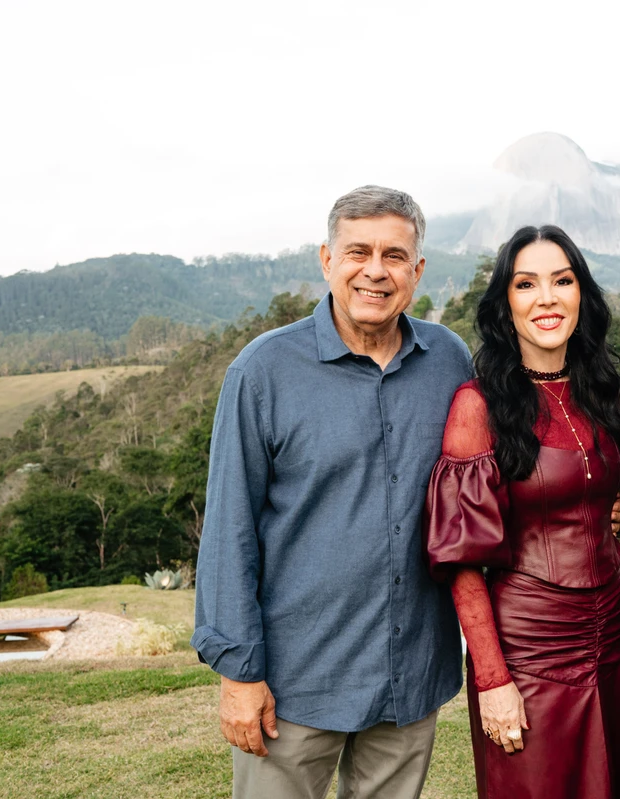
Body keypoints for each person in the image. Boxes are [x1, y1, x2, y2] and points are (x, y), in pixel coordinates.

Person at [192, 185, 474, 799]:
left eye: (394, 256)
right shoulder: (263, 371)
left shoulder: (449, 361)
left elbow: (482, 483)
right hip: (296, 681)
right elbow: (228, 529)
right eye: (358, 252)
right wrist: (239, 673)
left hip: (410, 675)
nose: (375, 271)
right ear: (326, 260)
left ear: (417, 271)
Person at [423, 225, 620, 799]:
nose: (547, 297)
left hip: (611, 637)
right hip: (530, 650)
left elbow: (618, 504)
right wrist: (493, 679)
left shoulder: (598, 391)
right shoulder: (478, 406)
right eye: (527, 284)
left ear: (581, 296)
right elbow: (464, 562)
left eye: (562, 281)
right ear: (506, 305)